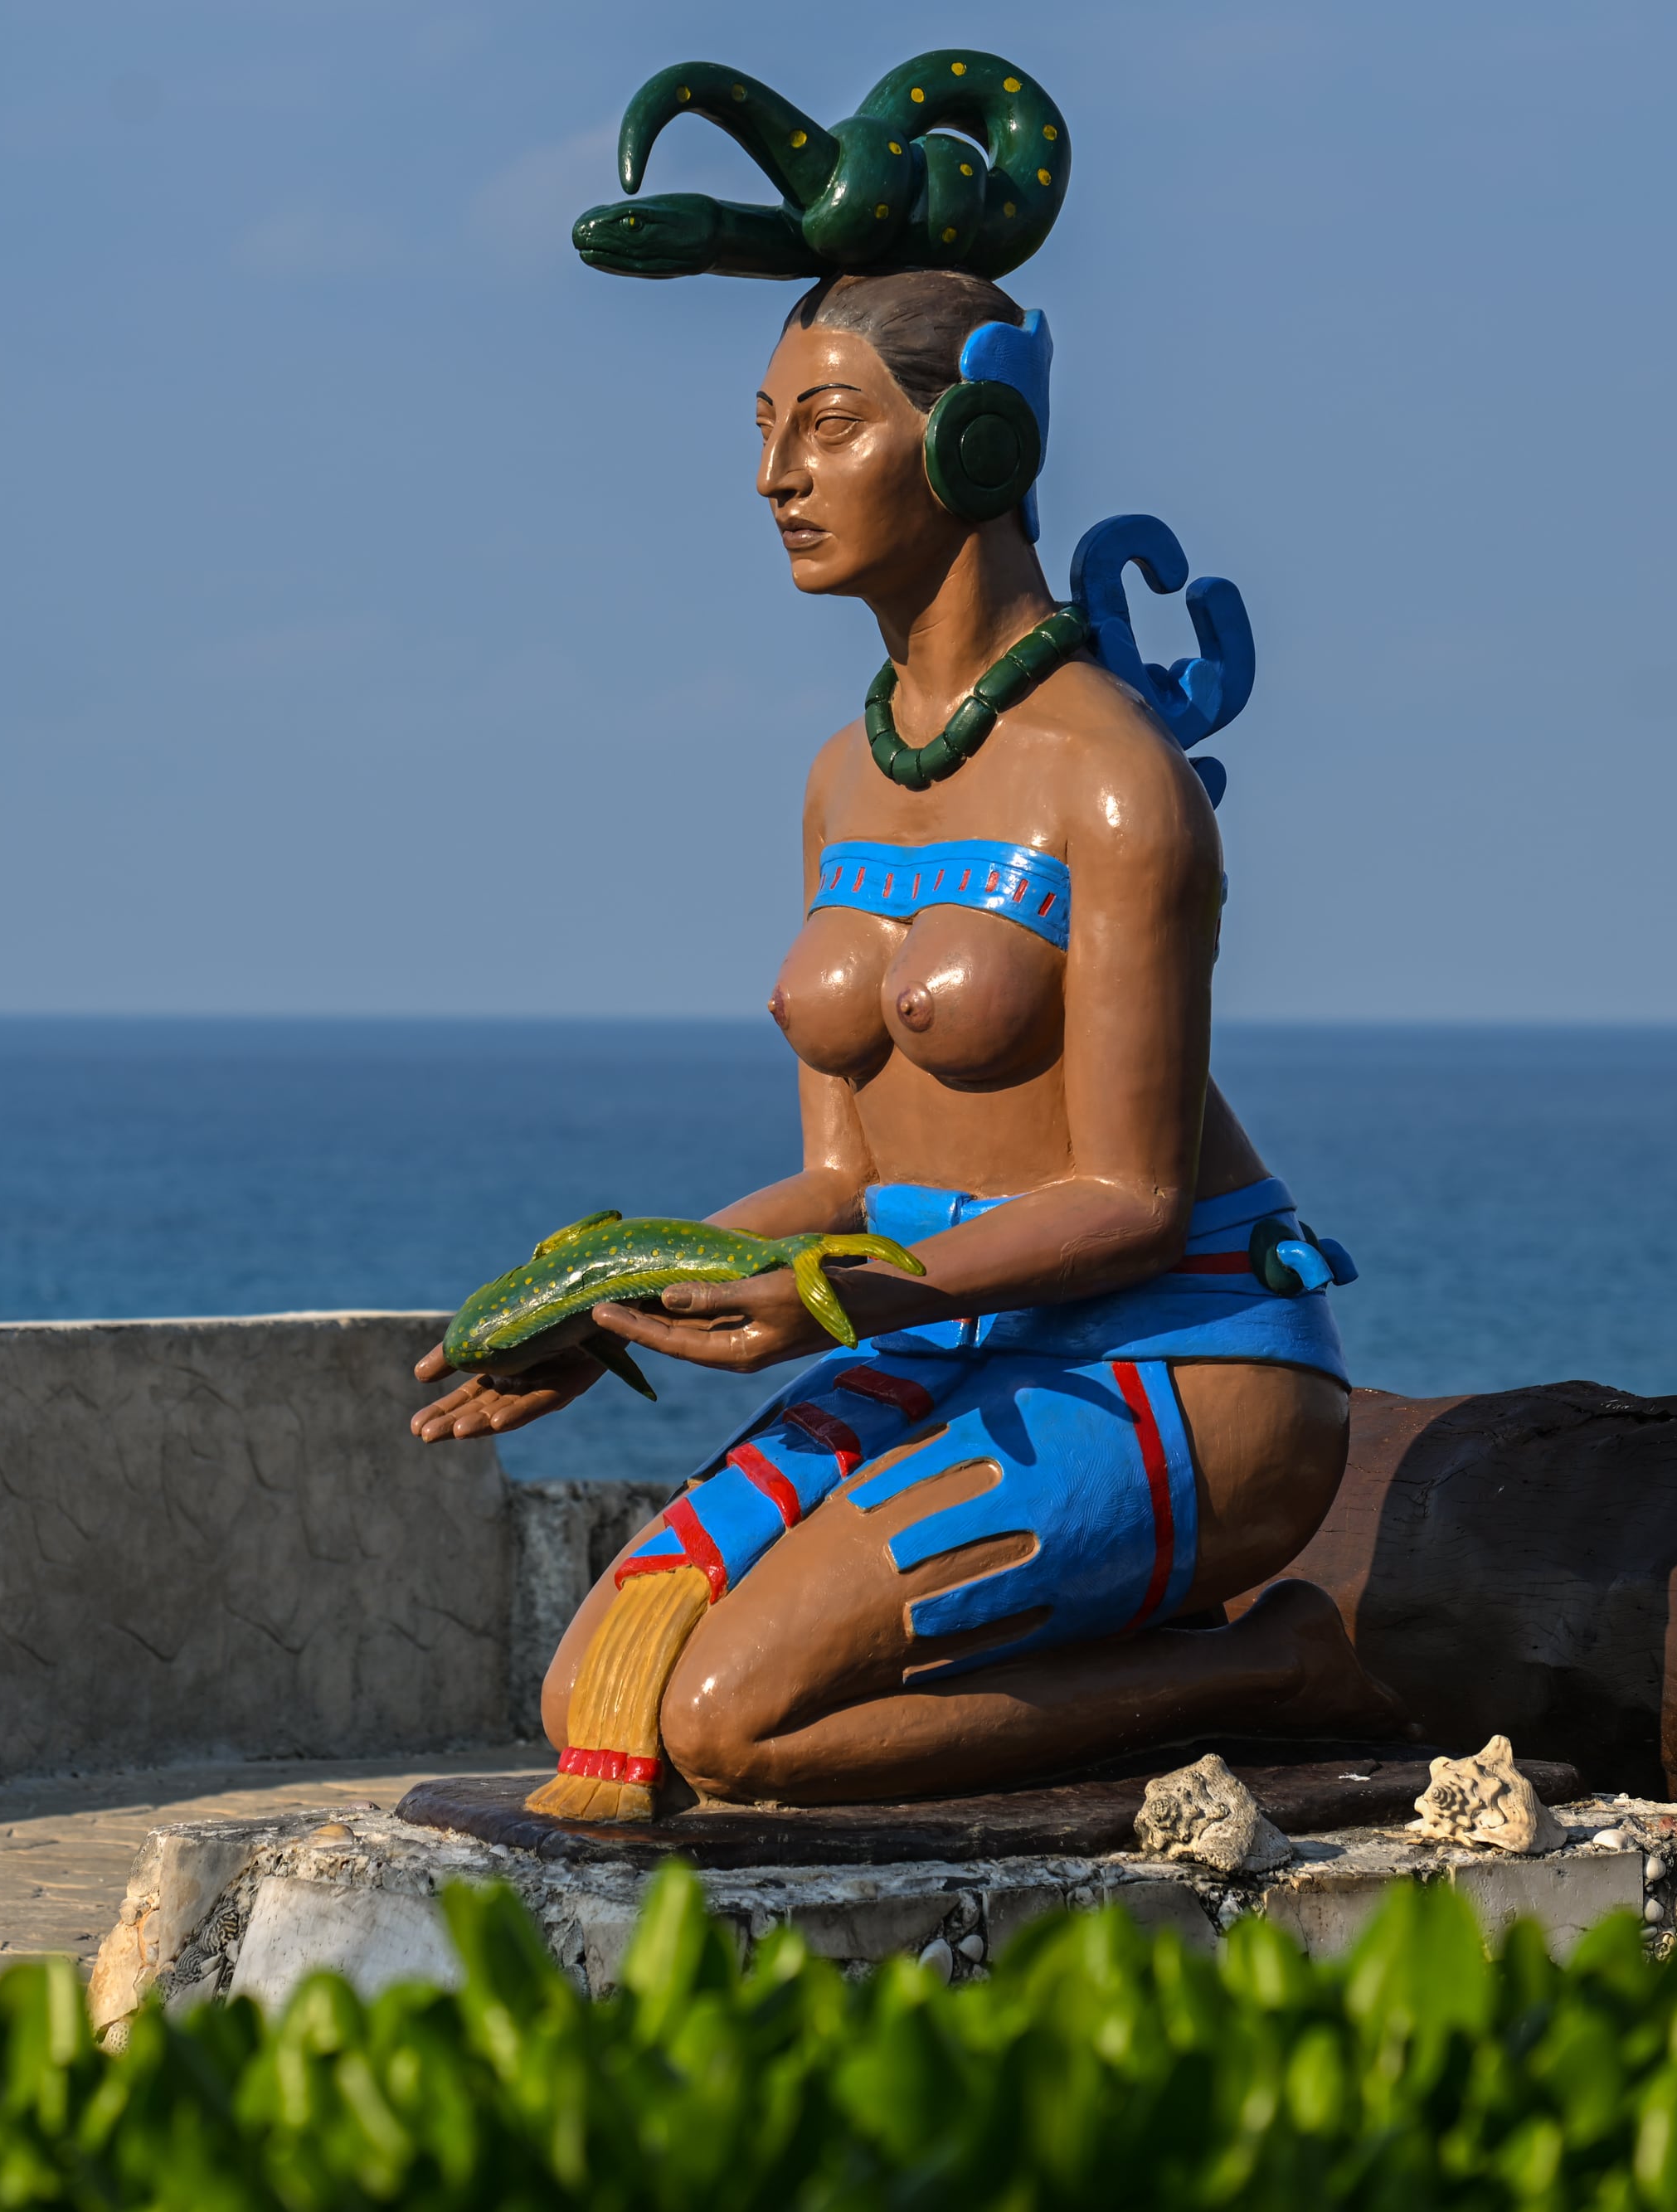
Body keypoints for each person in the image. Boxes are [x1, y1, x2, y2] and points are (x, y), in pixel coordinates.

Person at [416, 70, 1397, 1821]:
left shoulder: (1112, 788)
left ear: (975, 444)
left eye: (828, 423)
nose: (774, 476)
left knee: (722, 1722)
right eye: (764, 425)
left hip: (1178, 1360)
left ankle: (1270, 1661)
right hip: (931, 1326)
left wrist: (822, 1303)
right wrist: (598, 1300)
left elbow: (1127, 1197)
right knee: (596, 1697)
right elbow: (840, 1175)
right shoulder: (839, 776)